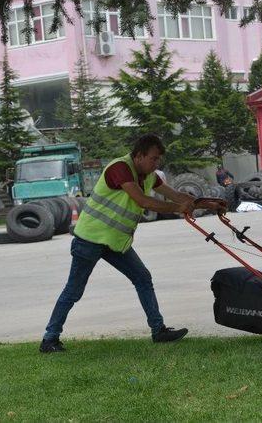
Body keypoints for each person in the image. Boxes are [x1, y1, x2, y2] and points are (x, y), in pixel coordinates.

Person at [40, 133, 226, 353]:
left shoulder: (149, 175)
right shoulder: (120, 168)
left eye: (158, 160)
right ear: (139, 156)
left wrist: (207, 205)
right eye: (153, 159)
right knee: (74, 291)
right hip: (90, 239)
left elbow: (175, 195)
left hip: (115, 242)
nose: (156, 164)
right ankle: (49, 339)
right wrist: (178, 208)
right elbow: (143, 201)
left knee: (142, 278)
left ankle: (159, 331)